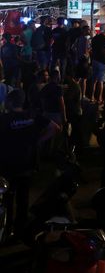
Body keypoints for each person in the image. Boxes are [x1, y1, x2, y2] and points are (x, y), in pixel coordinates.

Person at [0, 89, 60, 238]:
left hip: (8, 165)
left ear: (10, 102)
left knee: (7, 199)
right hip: (27, 163)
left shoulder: (4, 118)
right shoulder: (32, 116)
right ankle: (20, 229)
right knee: (23, 197)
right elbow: (55, 128)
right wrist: (38, 142)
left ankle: (7, 230)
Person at [90, 26, 105, 103]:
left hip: (95, 60)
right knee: (101, 81)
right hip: (103, 62)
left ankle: (92, 97)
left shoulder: (95, 38)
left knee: (94, 80)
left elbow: (92, 49)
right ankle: (99, 98)